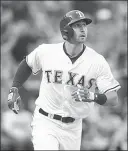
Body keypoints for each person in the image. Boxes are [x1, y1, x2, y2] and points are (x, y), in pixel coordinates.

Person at [7, 10, 121, 150]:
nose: (83, 29)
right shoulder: (47, 51)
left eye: (84, 25)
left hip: (74, 127)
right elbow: (27, 64)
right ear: (66, 30)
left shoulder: (97, 61)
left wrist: (93, 96)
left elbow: (113, 98)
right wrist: (15, 88)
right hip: (45, 121)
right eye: (77, 25)